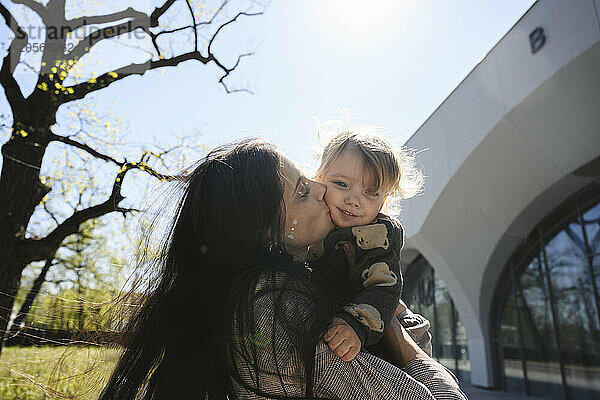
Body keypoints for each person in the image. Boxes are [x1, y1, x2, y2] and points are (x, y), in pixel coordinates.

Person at [100, 138, 467, 399]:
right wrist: (409, 349)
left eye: (309, 181)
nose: (323, 191)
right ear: (266, 235)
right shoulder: (275, 307)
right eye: (303, 192)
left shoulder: (262, 293)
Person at [309, 130, 429, 363]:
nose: (354, 200)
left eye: (371, 193)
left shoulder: (377, 232)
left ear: (383, 202)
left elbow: (383, 286)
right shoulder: (316, 222)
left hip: (384, 324)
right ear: (320, 179)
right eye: (341, 184)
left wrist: (355, 324)